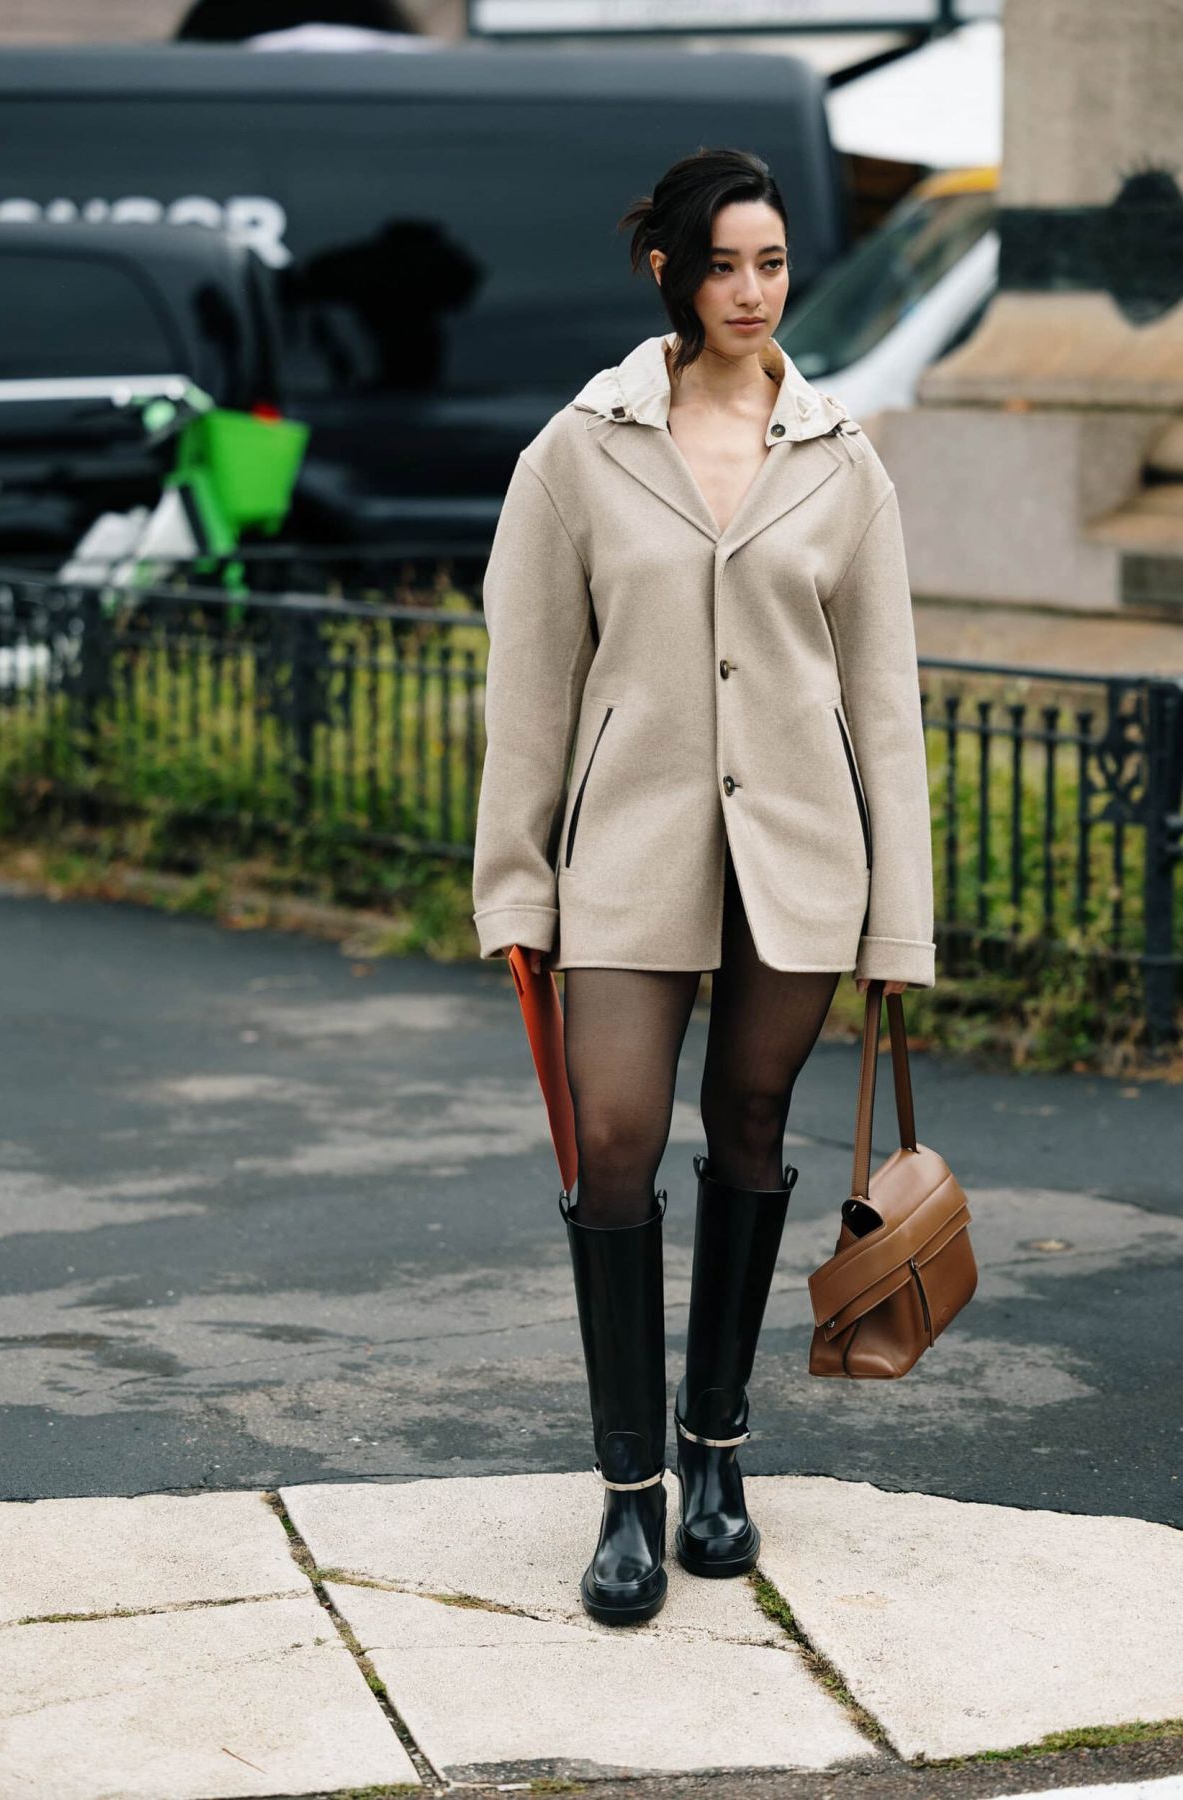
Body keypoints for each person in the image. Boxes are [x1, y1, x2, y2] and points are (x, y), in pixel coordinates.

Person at [470, 148, 936, 1626]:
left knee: (749, 1130)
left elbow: (887, 703)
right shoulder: (579, 451)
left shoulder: (840, 456)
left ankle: (716, 1455)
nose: (753, 292)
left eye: (774, 265)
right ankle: (627, 1494)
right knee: (614, 1144)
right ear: (668, 272)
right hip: (627, 856)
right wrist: (514, 894)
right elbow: (530, 686)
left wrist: (899, 918)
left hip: (802, 858)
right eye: (725, 264)